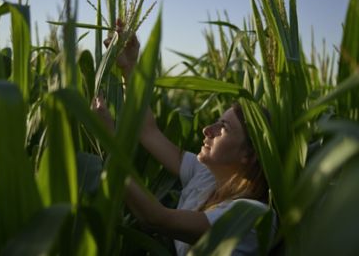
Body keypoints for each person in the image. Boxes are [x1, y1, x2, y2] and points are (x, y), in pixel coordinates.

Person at [93, 20, 274, 255]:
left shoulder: (250, 215)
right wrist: (130, 67)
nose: (207, 130)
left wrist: (109, 141)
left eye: (224, 127)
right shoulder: (206, 176)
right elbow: (147, 131)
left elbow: (155, 217)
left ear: (249, 155)